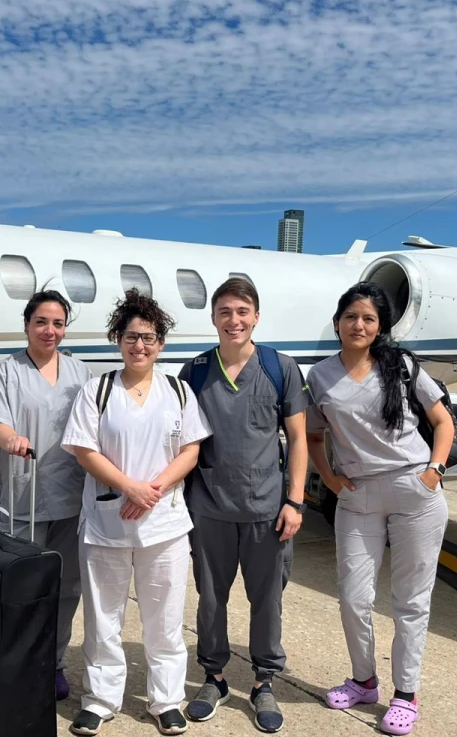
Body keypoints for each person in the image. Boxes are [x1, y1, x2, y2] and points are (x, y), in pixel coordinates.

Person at [305, 281, 454, 736]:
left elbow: (442, 420)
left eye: (369, 318)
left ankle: (405, 694)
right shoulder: (320, 375)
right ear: (337, 323)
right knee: (353, 597)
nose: (359, 325)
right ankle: (364, 680)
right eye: (351, 316)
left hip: (415, 490)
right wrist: (330, 479)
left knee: (410, 601)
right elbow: (313, 435)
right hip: (358, 496)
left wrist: (435, 470)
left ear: (380, 326)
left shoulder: (402, 366)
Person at [61, 289, 212, 737]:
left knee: (164, 616)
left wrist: (153, 489)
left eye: (148, 338)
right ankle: (101, 699)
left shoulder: (179, 391)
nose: (139, 346)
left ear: (161, 343)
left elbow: (191, 450)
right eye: (131, 337)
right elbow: (83, 449)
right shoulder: (98, 389)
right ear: (118, 340)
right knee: (103, 616)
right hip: (107, 522)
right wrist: (128, 486)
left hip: (164, 523)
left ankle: (166, 699)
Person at [177, 278, 309, 733]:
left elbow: (297, 439)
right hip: (210, 508)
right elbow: (181, 442)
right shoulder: (194, 372)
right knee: (211, 598)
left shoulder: (280, 367)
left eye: (242, 311)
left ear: (256, 316)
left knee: (266, 599)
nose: (234, 320)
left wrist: (295, 500)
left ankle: (263, 680)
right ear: (213, 318)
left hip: (267, 509)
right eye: (225, 312)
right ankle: (213, 676)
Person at [0, 289, 92, 701]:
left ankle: (53, 664)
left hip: (73, 502)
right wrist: (9, 440)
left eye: (58, 323)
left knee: (67, 588)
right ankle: (16, 665)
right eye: (41, 322)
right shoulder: (4, 373)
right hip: (26, 500)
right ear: (27, 325)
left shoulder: (82, 374)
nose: (49, 330)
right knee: (20, 590)